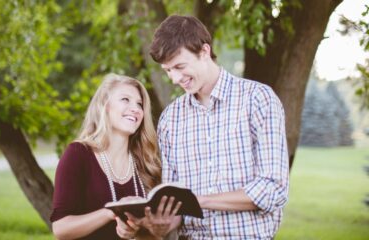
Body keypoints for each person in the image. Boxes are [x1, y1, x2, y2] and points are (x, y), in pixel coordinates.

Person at [144, 15, 290, 239]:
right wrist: (161, 224)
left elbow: (273, 189)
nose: (174, 78)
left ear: (204, 51)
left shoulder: (257, 99)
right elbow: (175, 206)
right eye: (168, 70)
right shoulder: (170, 119)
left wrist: (198, 201)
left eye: (180, 66)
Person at [50, 74, 162, 239]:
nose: (136, 109)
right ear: (105, 105)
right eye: (125, 99)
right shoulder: (78, 154)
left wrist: (141, 229)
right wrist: (111, 212)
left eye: (140, 104)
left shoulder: (146, 161)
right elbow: (60, 229)